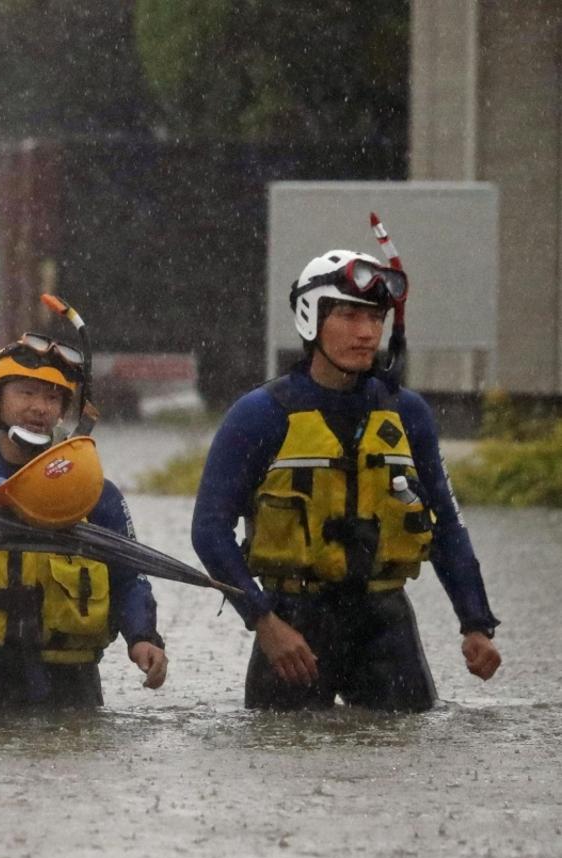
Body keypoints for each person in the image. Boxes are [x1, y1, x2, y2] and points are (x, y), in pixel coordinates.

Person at [191, 248, 501, 711]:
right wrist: (264, 623)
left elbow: (446, 526)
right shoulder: (258, 416)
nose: (366, 333)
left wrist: (475, 623)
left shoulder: (408, 413)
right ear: (310, 318)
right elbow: (209, 531)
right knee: (279, 761)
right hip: (293, 625)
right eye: (350, 315)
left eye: (376, 318)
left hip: (384, 626)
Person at [0, 334, 167, 708]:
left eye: (52, 397)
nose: (40, 408)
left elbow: (129, 579)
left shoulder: (97, 495)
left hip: (74, 690)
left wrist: (143, 637)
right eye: (27, 393)